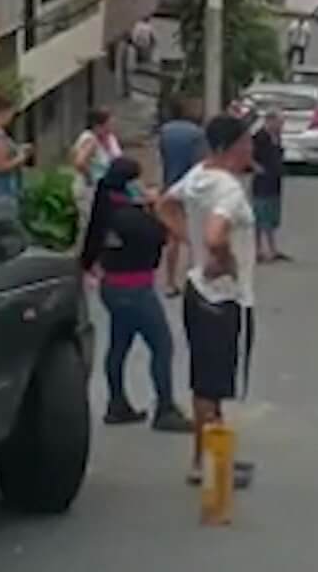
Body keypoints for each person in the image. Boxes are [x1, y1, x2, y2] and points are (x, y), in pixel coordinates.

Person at [159, 114, 258, 489]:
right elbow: (217, 234)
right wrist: (222, 261)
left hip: (197, 292)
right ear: (231, 147)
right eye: (246, 142)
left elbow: (165, 203)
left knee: (207, 383)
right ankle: (204, 462)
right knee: (211, 385)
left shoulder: (199, 175)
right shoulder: (228, 189)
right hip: (223, 296)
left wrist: (189, 242)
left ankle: (214, 456)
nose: (251, 148)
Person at [78, 157, 195, 433]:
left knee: (120, 344)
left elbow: (90, 250)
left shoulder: (106, 211)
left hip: (113, 287)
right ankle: (164, 409)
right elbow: (162, 238)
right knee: (162, 345)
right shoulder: (133, 218)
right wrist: (155, 206)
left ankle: (117, 403)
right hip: (136, 289)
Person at [156, 95, 207, 295]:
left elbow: (161, 157)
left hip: (169, 185)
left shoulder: (165, 132)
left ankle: (169, 282)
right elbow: (200, 163)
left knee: (172, 238)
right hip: (190, 189)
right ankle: (192, 280)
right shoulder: (196, 134)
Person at [71, 107, 124, 226]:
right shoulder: (90, 140)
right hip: (90, 190)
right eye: (108, 124)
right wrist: (90, 178)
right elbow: (79, 162)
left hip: (106, 189)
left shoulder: (109, 138)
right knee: (90, 224)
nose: (111, 127)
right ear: (98, 125)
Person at [250, 108, 287, 263]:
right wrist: (255, 167)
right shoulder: (260, 137)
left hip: (275, 180)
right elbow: (249, 153)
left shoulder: (276, 137)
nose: (281, 126)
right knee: (260, 216)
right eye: (279, 122)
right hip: (262, 182)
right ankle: (259, 249)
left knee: (272, 216)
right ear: (269, 121)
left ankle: (272, 248)